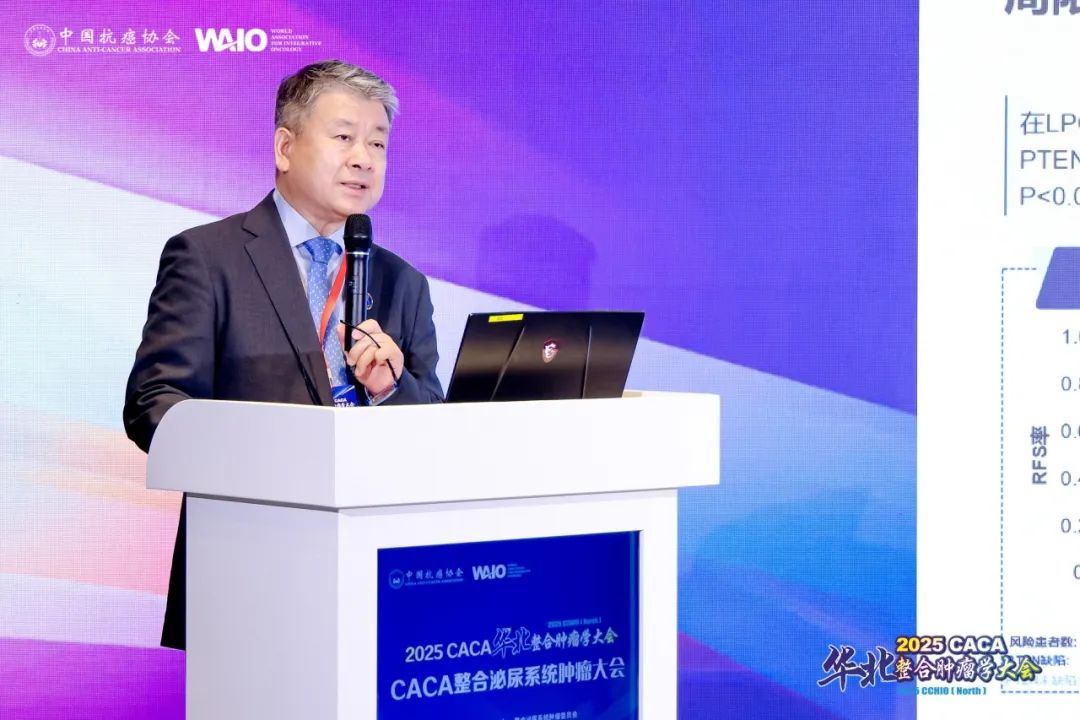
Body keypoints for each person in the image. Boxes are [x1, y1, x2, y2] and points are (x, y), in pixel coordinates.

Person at [124, 61, 444, 651]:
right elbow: (155, 404)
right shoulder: (207, 257)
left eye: (378, 143)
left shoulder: (403, 282)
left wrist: (390, 390)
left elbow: (435, 428)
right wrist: (271, 452)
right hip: (246, 554)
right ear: (285, 147)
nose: (364, 159)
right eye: (344, 136)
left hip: (376, 568)